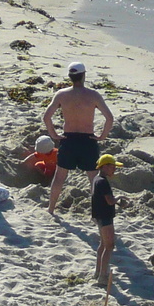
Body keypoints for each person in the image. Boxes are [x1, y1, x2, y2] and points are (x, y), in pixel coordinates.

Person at [43, 61, 115, 212]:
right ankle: (97, 212)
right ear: (83, 76)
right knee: (94, 179)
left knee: (60, 176)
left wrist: (54, 134)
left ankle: (50, 208)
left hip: (68, 139)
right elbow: (109, 118)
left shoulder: (61, 94)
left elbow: (46, 117)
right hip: (87, 140)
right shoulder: (93, 95)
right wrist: (102, 136)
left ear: (70, 76)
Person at [91, 155, 120, 285]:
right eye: (113, 167)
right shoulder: (103, 181)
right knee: (109, 246)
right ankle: (103, 277)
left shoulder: (96, 179)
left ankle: (98, 272)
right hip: (105, 217)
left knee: (102, 245)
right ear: (105, 166)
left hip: (98, 216)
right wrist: (119, 198)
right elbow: (109, 201)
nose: (114, 170)